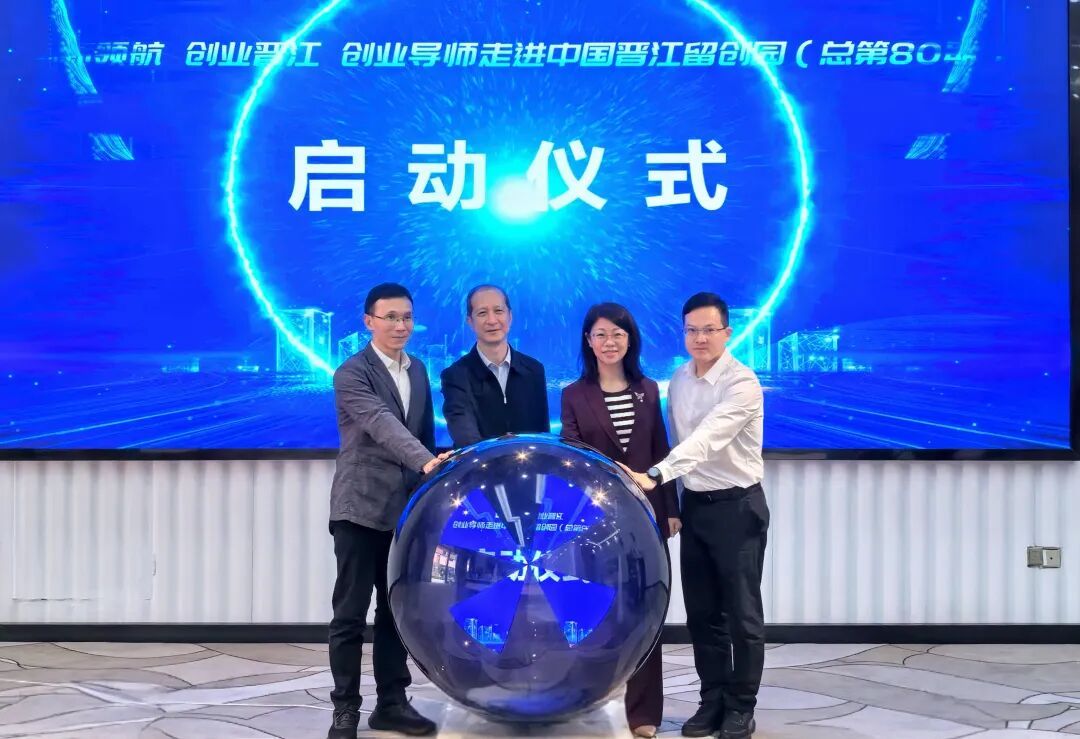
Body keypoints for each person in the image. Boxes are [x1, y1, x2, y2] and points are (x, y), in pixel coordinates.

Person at [621, 293, 767, 739]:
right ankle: (712, 701)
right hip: (697, 507)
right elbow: (675, 442)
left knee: (742, 615)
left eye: (709, 330)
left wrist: (655, 475)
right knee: (703, 615)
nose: (699, 338)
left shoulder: (742, 383)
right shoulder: (680, 379)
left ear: (727, 332)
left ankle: (741, 707)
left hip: (738, 508)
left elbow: (707, 439)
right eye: (691, 330)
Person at [327, 282, 449, 739]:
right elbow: (381, 424)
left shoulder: (418, 370)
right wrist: (425, 460)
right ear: (369, 322)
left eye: (407, 317)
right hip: (359, 509)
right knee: (350, 615)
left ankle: (392, 703)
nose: (400, 326)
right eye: (390, 317)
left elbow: (423, 434)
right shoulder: (350, 373)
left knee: (395, 612)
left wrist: (432, 480)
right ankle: (345, 709)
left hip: (403, 513)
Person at [560, 302, 681, 739]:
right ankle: (582, 698)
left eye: (618, 334)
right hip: (595, 524)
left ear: (630, 340)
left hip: (646, 519)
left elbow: (661, 451)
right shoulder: (574, 394)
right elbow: (573, 457)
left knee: (646, 612)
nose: (609, 342)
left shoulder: (648, 389)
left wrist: (670, 509)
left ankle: (643, 712)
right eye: (601, 334)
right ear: (588, 341)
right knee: (588, 610)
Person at [441, 284, 550, 446]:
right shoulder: (455, 376)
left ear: (510, 316)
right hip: (478, 461)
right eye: (482, 313)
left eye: (498, 311)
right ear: (470, 321)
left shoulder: (534, 370)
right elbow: (466, 438)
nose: (492, 321)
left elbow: (543, 438)